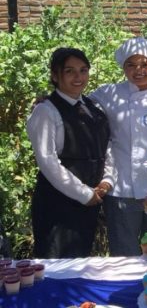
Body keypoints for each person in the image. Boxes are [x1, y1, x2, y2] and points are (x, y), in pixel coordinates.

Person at [27, 48, 110, 258]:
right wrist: (84, 194)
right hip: (58, 205)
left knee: (79, 263)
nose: (78, 77)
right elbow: (48, 161)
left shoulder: (92, 107)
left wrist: (107, 180)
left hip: (89, 202)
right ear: (55, 75)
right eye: (70, 71)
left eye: (83, 70)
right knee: (56, 265)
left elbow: (106, 147)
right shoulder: (46, 111)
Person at [91, 37, 147, 256]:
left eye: (145, 64)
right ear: (123, 67)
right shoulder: (109, 93)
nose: (138, 70)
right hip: (121, 188)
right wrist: (47, 100)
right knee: (123, 255)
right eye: (131, 65)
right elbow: (77, 103)